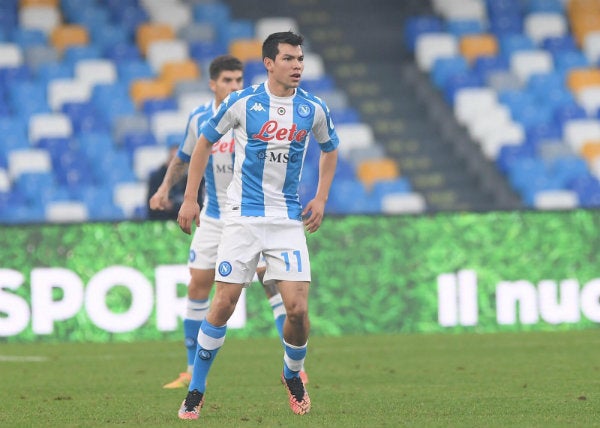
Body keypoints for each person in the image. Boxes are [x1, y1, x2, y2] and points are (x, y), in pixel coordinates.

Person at [176, 31, 339, 419]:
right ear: (269, 63)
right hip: (242, 217)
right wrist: (188, 196)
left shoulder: (313, 108)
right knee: (223, 304)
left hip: (286, 220)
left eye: (300, 59)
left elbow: (331, 149)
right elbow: (203, 143)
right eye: (288, 59)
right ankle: (196, 388)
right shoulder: (243, 102)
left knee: (297, 310)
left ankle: (291, 373)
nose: (297, 65)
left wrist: (321, 197)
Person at [149, 55, 298, 389]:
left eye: (238, 80)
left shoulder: (256, 113)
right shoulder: (200, 117)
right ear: (212, 84)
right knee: (198, 285)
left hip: (251, 215)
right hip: (214, 217)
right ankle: (190, 369)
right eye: (228, 80)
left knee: (270, 282)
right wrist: (164, 190)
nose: (234, 86)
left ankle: (294, 367)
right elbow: (184, 158)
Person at [146, 143, 199, 220]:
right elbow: (153, 207)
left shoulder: (195, 179)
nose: (176, 166)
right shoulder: (156, 178)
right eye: (173, 161)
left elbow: (197, 206)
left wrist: (172, 206)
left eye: (181, 162)